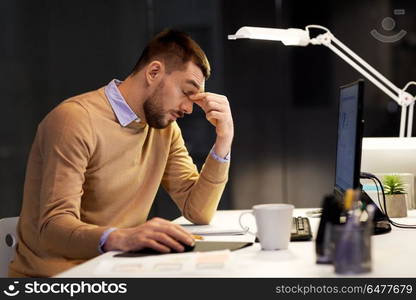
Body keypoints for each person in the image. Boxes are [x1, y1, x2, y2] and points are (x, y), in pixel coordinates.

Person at [9, 29, 233, 277]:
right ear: (154, 72)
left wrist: (224, 140)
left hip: (118, 269)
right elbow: (53, 228)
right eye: (186, 92)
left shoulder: (164, 130)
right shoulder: (74, 120)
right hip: (58, 278)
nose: (189, 109)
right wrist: (121, 238)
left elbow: (198, 211)